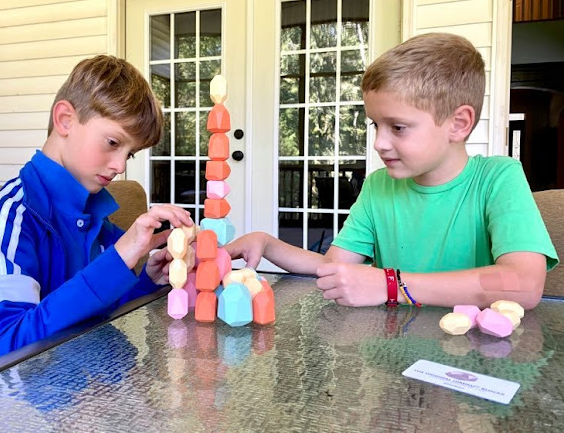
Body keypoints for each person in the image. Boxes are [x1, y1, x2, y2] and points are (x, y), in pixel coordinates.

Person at [226, 33, 558, 310]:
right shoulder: (378, 186)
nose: (379, 143)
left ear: (458, 124)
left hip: (473, 353)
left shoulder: (498, 178)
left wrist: (390, 285)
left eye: (398, 127)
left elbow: (523, 283)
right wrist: (268, 244)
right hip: (393, 349)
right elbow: (334, 267)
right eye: (375, 125)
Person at [0, 55, 193, 368]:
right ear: (65, 120)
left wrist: (148, 282)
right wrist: (117, 260)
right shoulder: (7, 223)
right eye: (113, 142)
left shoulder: (98, 219)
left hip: (98, 386)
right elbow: (0, 353)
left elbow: (100, 314)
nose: (120, 166)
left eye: (130, 154)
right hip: (24, 399)